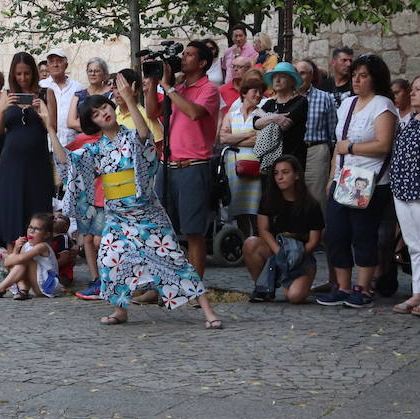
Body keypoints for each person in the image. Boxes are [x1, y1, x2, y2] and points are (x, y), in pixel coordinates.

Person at [60, 83, 226, 328]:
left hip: (146, 213)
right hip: (117, 217)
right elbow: (68, 161)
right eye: (95, 114)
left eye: (104, 107)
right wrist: (50, 128)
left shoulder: (130, 135)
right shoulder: (95, 148)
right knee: (110, 260)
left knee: (172, 259)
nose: (103, 113)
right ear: (93, 123)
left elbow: (144, 135)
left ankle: (208, 311)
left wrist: (127, 96)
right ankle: (120, 309)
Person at [317, 53, 398, 309]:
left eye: (363, 76)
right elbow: (336, 147)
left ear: (375, 79)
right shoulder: (347, 104)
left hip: (370, 179)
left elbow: (383, 145)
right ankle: (341, 286)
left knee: (363, 234)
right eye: (354, 75)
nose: (357, 80)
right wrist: (332, 177)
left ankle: (362, 288)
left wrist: (351, 147)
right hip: (344, 178)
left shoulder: (383, 105)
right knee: (337, 233)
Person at [145, 41, 221, 278]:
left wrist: (168, 88)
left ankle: (195, 288)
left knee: (193, 231)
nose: (184, 59)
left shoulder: (209, 89)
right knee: (162, 228)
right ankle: (164, 283)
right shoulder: (176, 87)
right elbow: (151, 113)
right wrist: (154, 84)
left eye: (189, 55)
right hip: (168, 165)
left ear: (202, 63)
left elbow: (193, 113)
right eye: (184, 54)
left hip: (193, 166)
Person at [0, 53, 56, 247]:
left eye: (27, 73)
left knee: (37, 202)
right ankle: (13, 253)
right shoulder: (6, 94)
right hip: (11, 160)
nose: (22, 78)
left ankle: (38, 250)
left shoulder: (46, 93)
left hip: (37, 160)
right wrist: (3, 109)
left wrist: (41, 111)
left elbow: (53, 127)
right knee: (12, 204)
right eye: (18, 74)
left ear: (33, 73)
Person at [244, 156, 323, 304]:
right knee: (251, 243)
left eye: (285, 172)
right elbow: (263, 230)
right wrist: (280, 252)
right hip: (276, 249)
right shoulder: (268, 199)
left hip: (301, 254)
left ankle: (302, 277)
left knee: (294, 297)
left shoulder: (311, 204)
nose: (280, 177)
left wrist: (296, 254)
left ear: (297, 175)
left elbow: (314, 240)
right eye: (276, 173)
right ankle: (264, 288)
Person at [389, 74, 420, 316]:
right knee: (413, 245)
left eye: (418, 89)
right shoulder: (411, 119)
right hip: (403, 188)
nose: (412, 93)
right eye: (412, 89)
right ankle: (419, 292)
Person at [219, 75, 266, 235]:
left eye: (261, 92)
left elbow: (261, 140)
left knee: (256, 210)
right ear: (245, 92)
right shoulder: (233, 114)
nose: (258, 95)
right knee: (239, 209)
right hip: (234, 168)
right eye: (255, 91)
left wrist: (235, 139)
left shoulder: (262, 116)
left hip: (256, 168)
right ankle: (246, 243)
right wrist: (248, 135)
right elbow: (223, 137)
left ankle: (258, 243)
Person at [0, 212, 59, 300]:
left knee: (24, 260)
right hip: (34, 283)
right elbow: (12, 263)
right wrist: (16, 249)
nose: (31, 231)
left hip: (47, 286)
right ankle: (23, 290)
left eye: (37, 229)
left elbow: (19, 259)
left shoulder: (42, 246)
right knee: (17, 262)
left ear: (46, 234)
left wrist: (7, 260)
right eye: (30, 227)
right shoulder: (27, 245)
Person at [296, 59, 338, 210]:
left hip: (316, 149)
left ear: (312, 76)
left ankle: (317, 233)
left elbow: (333, 131)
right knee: (293, 194)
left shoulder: (325, 98)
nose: (299, 77)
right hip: (293, 150)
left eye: (303, 73)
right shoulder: (289, 97)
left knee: (317, 196)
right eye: (296, 73)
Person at [255, 62, 309, 170]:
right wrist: (274, 117)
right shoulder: (270, 103)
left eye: (282, 76)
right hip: (270, 161)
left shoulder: (300, 101)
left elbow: (285, 124)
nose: (277, 80)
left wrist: (264, 116)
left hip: (291, 159)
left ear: (292, 81)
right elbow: (256, 123)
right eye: (275, 76)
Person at [39, 47, 85, 146]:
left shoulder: (78, 88)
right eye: (51, 62)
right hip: (46, 144)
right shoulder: (41, 86)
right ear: (47, 66)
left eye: (59, 61)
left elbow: (83, 115)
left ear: (66, 65)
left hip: (72, 144)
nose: (55, 65)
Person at [67, 58, 113, 133]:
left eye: (97, 71)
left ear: (104, 74)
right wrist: (100, 125)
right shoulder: (78, 95)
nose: (93, 74)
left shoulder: (111, 95)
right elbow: (71, 123)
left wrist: (83, 124)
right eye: (90, 71)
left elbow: (112, 122)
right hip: (84, 141)